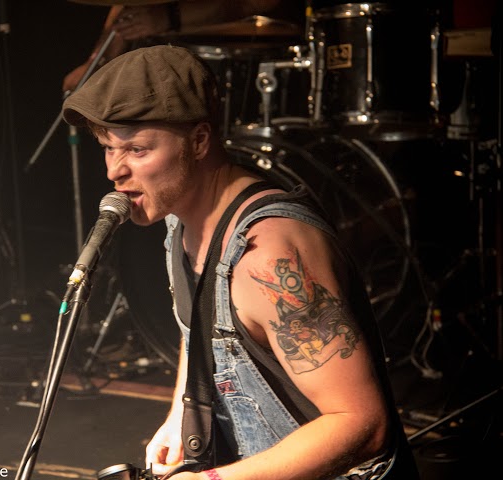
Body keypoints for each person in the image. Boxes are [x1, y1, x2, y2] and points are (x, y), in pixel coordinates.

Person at [61, 45, 421, 480]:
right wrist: (181, 414)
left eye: (137, 150)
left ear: (199, 141)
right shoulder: (180, 220)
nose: (114, 172)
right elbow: (199, 326)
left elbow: (362, 424)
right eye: (107, 148)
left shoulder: (268, 255)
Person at [62, 0, 303, 93]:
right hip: (167, 56)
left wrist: (168, 17)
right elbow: (127, 4)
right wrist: (97, 61)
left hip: (258, 53)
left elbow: (255, 3)